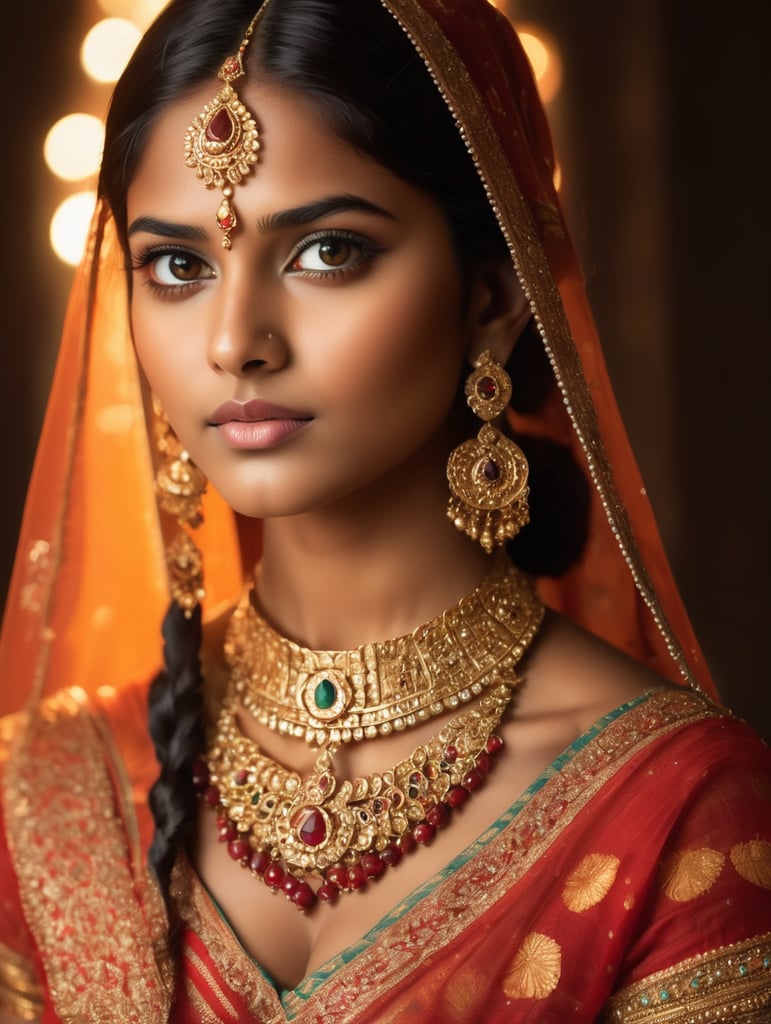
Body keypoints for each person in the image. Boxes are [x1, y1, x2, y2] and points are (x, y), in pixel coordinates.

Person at [0, 0, 769, 1020]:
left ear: (490, 297)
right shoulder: (49, 795)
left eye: (327, 253)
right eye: (179, 266)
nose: (236, 341)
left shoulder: (676, 809)